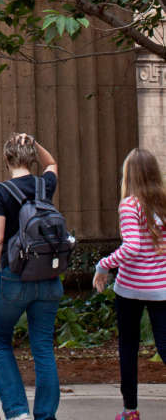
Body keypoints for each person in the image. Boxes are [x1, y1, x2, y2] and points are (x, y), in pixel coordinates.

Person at [0, 133, 62, 420]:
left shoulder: (1, 192)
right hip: (48, 278)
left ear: (7, 159)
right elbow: (52, 162)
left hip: (15, 278)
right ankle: (45, 415)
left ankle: (17, 411)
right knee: (42, 345)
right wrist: (35, 141)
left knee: (0, 339)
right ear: (31, 157)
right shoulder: (45, 185)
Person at [93, 148, 166, 420]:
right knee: (164, 345)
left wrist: (104, 264)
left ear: (129, 175)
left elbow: (132, 247)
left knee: (128, 348)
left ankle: (130, 411)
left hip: (131, 289)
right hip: (161, 289)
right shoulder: (163, 203)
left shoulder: (129, 205)